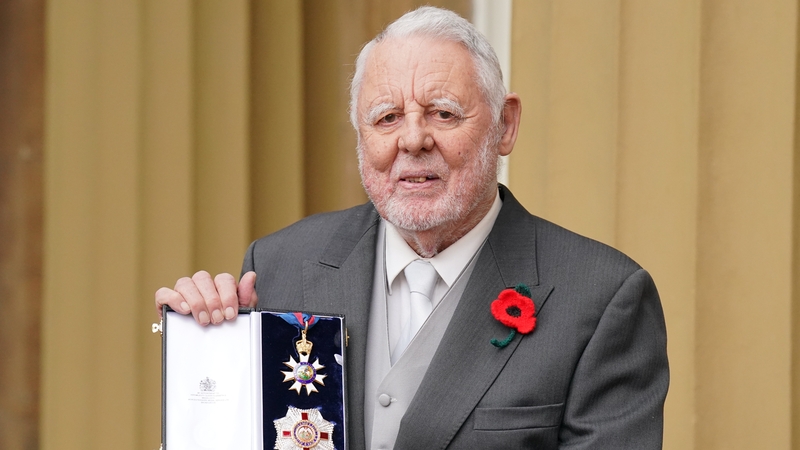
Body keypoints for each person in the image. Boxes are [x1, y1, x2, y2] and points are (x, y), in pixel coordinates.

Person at [155, 6, 668, 449]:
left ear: (505, 126)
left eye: (443, 113)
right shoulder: (279, 267)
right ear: (360, 136)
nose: (413, 140)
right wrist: (207, 349)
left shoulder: (602, 299)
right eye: (386, 118)